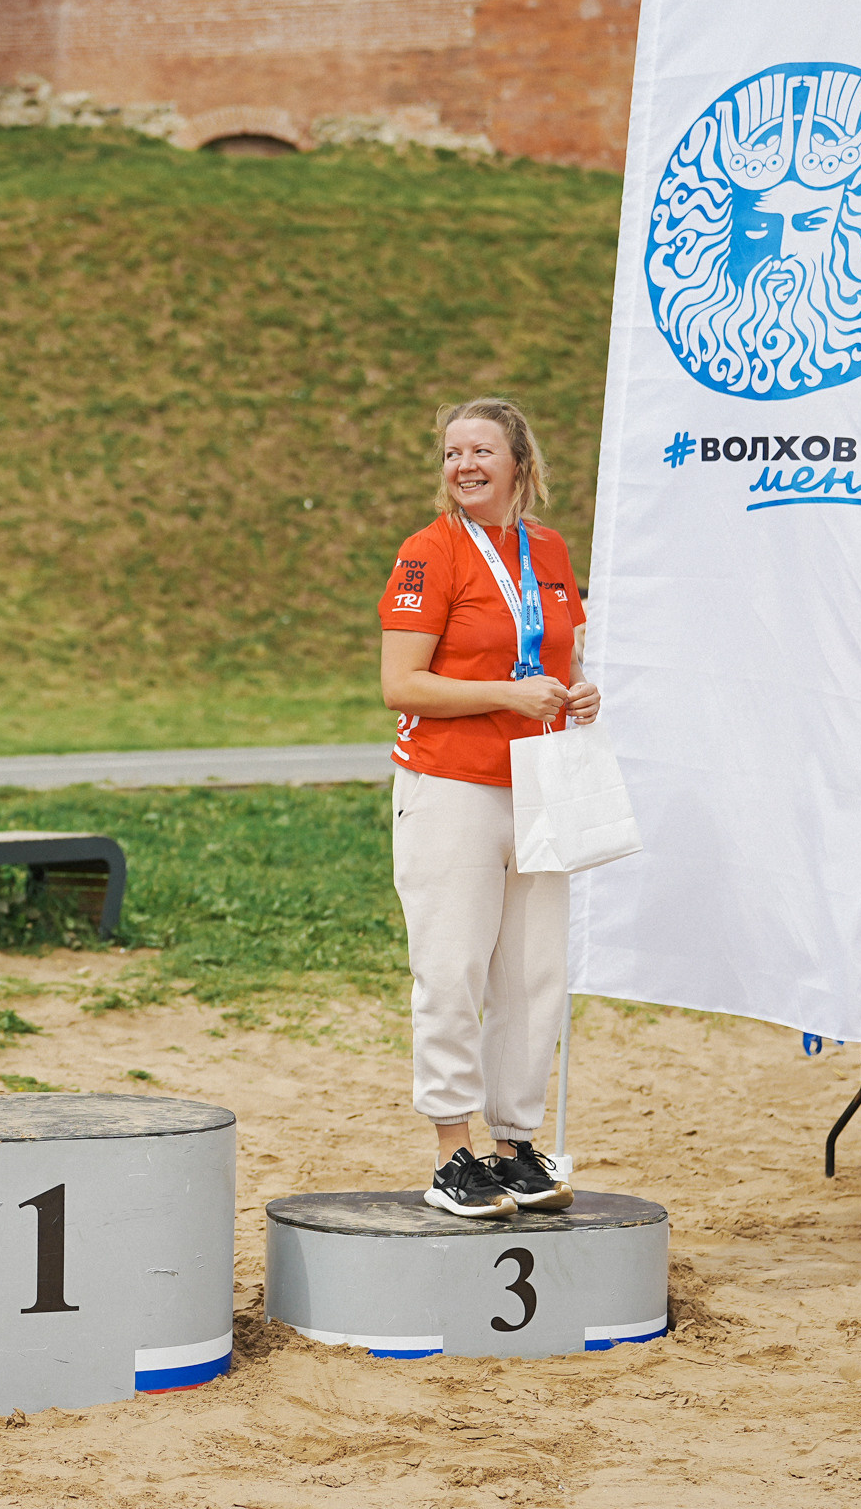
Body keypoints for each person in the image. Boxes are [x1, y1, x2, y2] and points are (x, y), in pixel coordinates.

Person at [378, 398, 598, 1220]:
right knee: (452, 967)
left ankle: (513, 1143)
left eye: (481, 450)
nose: (463, 464)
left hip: (539, 782)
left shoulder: (547, 546)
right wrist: (508, 692)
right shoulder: (428, 553)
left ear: (519, 463)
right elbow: (402, 685)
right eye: (451, 452)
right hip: (452, 787)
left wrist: (579, 695)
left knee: (534, 973)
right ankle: (451, 1153)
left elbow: (556, 647)